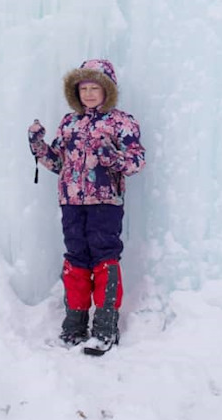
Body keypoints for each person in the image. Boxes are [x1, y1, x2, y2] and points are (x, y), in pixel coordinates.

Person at [28, 58, 145, 353]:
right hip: (71, 201)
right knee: (76, 258)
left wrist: (113, 158)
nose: (89, 94)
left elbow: (135, 161)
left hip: (105, 201)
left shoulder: (121, 122)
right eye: (84, 88)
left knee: (104, 256)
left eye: (95, 87)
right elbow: (57, 162)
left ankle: (105, 327)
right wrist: (39, 145)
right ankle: (75, 323)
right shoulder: (70, 123)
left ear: (107, 90)